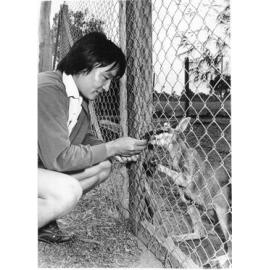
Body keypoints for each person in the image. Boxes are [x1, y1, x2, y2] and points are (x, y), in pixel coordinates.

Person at [38, 32, 147, 243]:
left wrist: (110, 150)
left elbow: (80, 135)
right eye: (105, 77)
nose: (107, 88)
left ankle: (42, 216)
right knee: (67, 192)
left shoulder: (77, 96)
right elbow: (60, 158)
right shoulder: (48, 91)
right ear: (86, 64)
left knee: (104, 167)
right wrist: (113, 147)